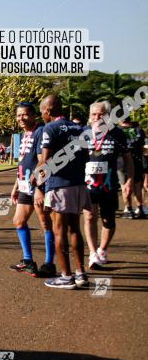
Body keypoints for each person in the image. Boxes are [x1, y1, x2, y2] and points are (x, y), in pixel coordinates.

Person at [36, 95, 90, 289]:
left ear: (48, 110)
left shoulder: (49, 128)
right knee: (75, 228)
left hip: (59, 184)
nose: (42, 115)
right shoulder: (79, 128)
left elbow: (45, 161)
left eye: (42, 112)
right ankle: (81, 273)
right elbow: (85, 156)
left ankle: (66, 277)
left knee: (60, 231)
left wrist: (36, 179)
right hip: (79, 184)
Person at [82, 101, 133, 270]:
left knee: (108, 220)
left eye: (101, 114)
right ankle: (92, 252)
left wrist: (129, 180)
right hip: (88, 184)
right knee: (89, 217)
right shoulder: (84, 133)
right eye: (94, 114)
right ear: (90, 116)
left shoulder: (117, 133)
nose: (97, 118)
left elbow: (128, 159)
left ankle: (102, 249)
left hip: (109, 185)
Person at [8, 101, 55, 277]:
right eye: (18, 115)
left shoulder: (39, 132)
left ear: (34, 115)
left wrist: (39, 189)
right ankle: (28, 261)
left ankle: (50, 263)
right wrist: (15, 187)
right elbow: (23, 163)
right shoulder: (25, 134)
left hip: (38, 188)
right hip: (25, 186)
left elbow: (42, 162)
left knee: (45, 223)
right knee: (18, 221)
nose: (21, 118)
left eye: (25, 114)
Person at [119, 119, 146, 219]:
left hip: (123, 162)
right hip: (136, 160)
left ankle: (129, 209)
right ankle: (140, 209)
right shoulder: (138, 130)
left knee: (125, 186)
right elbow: (142, 147)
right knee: (137, 186)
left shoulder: (117, 130)